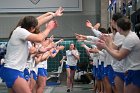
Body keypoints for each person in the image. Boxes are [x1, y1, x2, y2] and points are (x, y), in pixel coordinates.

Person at [0, 15, 57, 93]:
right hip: (13, 70)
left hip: (12, 70)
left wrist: (52, 15)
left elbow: (31, 51)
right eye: (34, 28)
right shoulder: (20, 31)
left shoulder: (21, 33)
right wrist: (49, 28)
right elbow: (39, 37)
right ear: (31, 28)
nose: (35, 30)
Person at [96, 17, 140, 93]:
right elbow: (118, 52)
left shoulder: (130, 39)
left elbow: (119, 56)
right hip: (129, 70)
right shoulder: (128, 37)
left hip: (134, 71)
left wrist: (106, 46)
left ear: (119, 28)